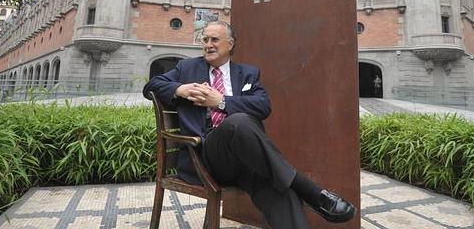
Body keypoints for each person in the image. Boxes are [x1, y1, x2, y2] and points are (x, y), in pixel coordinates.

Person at [144, 20, 355, 228]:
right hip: (204, 157)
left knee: (280, 188)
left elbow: (263, 106)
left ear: (231, 44)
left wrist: (222, 101)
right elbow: (151, 86)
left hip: (245, 160)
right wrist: (180, 89)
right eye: (205, 39)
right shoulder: (187, 68)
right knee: (238, 121)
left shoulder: (247, 74)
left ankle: (295, 187)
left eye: (215, 39)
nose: (208, 44)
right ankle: (309, 190)